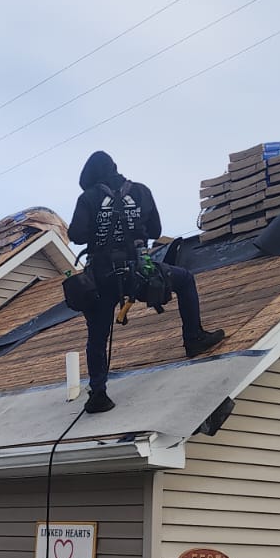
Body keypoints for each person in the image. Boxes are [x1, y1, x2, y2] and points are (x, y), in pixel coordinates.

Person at [67, 150, 224, 414]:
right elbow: (155, 231)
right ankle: (194, 338)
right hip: (139, 273)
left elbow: (77, 235)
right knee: (185, 280)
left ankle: (99, 394)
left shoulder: (88, 197)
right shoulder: (140, 191)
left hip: (103, 277)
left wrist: (100, 226)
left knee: (97, 335)